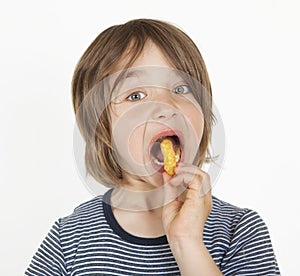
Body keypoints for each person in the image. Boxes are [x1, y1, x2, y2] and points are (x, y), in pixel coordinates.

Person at [25, 18, 280, 275]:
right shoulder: (70, 238)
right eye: (135, 95)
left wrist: (187, 243)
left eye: (182, 88)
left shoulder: (239, 230)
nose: (166, 106)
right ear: (101, 127)